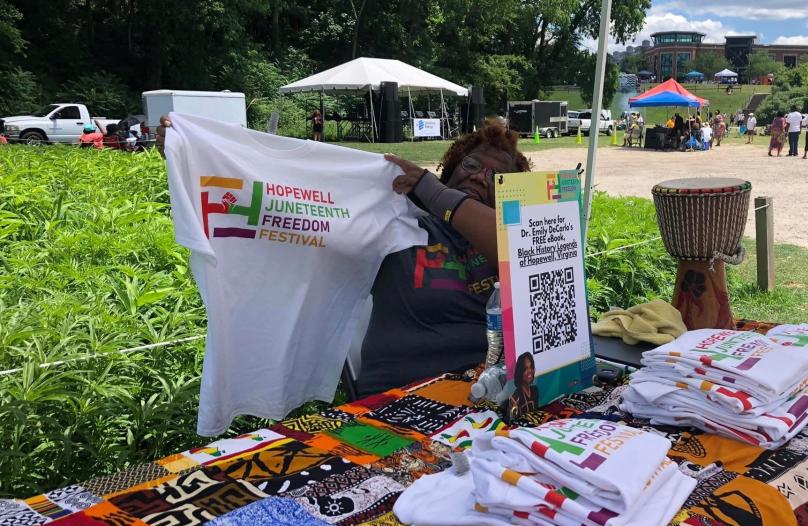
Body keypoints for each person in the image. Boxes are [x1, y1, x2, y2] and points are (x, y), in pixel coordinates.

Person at [157, 117, 530, 394]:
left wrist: (435, 193)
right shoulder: (393, 219)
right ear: (449, 169)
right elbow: (291, 200)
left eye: (496, 177)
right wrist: (195, 154)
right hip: (400, 397)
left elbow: (514, 249)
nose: (481, 177)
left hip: (488, 393)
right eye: (471, 165)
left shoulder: (513, 237)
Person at [503, 352, 539, 421]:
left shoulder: (535, 390)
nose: (529, 371)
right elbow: (512, 420)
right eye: (525, 369)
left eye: (531, 367)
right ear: (520, 371)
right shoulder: (515, 397)